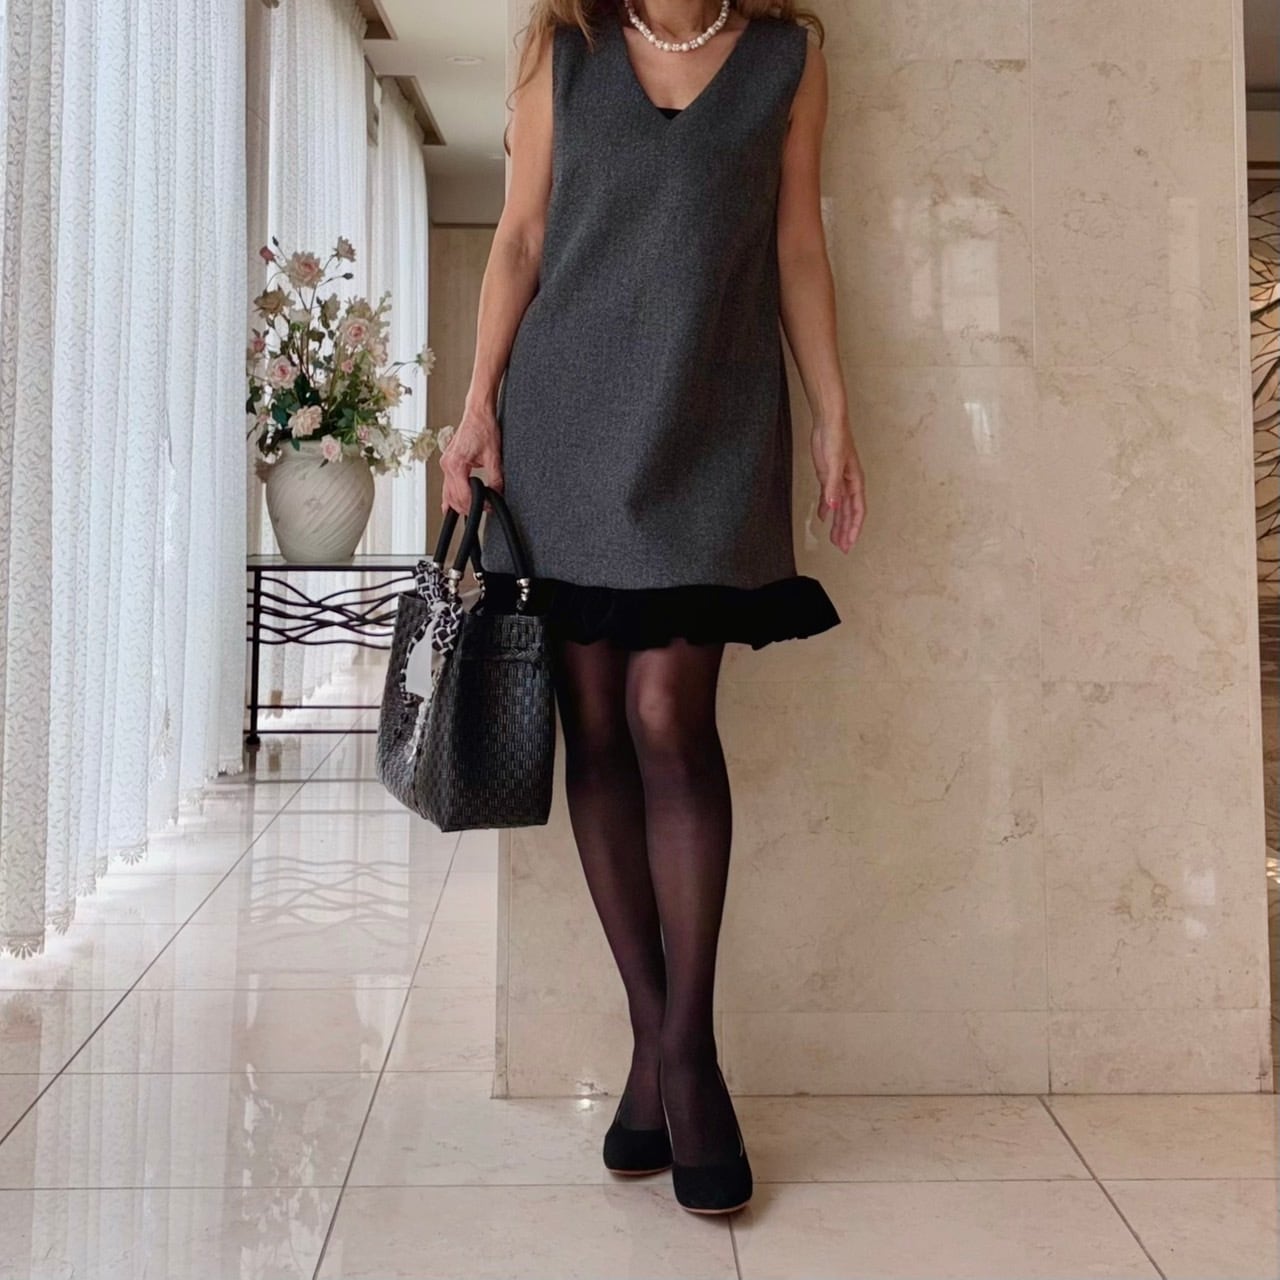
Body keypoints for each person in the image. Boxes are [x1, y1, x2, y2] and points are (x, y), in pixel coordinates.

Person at [438, 0, 865, 1214]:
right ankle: (657, 1044)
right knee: (596, 726)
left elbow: (793, 244)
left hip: (712, 421)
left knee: (668, 711)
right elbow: (521, 237)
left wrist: (832, 413)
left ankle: (683, 1049)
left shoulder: (786, 57)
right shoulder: (562, 51)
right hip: (564, 424)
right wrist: (476, 407)